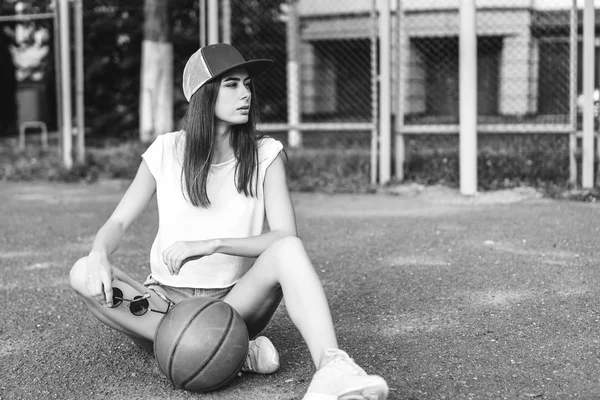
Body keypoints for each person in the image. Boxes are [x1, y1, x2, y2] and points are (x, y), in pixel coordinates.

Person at [69, 43, 389, 400]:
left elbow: (284, 235)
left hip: (233, 304)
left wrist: (213, 244)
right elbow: (118, 223)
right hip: (163, 305)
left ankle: (333, 369)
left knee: (289, 250)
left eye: (247, 84)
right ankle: (234, 355)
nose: (245, 94)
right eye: (232, 85)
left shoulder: (266, 153)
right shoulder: (165, 151)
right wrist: (99, 252)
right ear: (204, 95)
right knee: (81, 271)